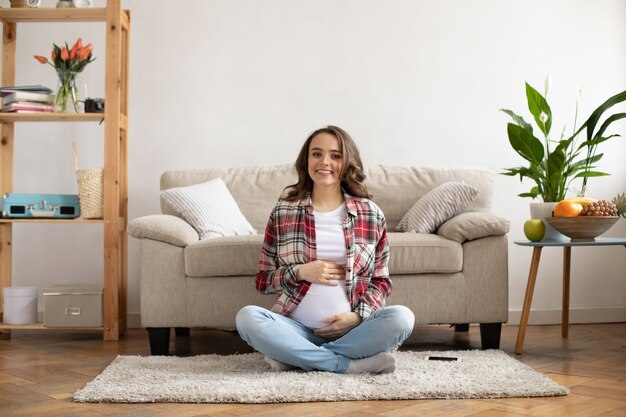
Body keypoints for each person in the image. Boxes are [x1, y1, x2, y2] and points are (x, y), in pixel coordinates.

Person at [236, 125, 415, 374]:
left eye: (335, 155)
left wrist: (358, 317)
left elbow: (381, 282)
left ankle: (294, 358)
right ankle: (347, 365)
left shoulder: (370, 213)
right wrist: (300, 272)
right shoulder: (284, 212)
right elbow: (264, 281)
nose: (325, 162)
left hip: (353, 331)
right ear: (306, 160)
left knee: (402, 317)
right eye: (316, 154)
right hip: (295, 329)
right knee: (247, 318)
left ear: (347, 163)